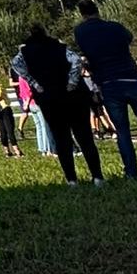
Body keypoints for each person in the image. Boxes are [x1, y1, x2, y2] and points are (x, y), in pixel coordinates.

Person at [12, 24, 105, 186]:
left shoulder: (25, 52)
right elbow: (76, 61)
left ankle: (71, 180)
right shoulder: (59, 46)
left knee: (61, 139)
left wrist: (34, 83)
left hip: (49, 97)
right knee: (85, 137)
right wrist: (72, 82)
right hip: (74, 96)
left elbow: (15, 64)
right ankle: (97, 177)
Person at [74, 0, 137, 180]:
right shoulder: (115, 27)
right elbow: (129, 38)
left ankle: (131, 171)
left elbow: (85, 51)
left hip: (108, 84)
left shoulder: (81, 31)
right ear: (97, 10)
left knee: (122, 130)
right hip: (130, 78)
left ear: (82, 14)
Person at [17, 74, 54, 157]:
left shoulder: (20, 77)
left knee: (38, 126)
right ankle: (46, 148)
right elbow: (30, 91)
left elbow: (22, 92)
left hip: (29, 104)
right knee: (44, 126)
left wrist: (25, 102)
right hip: (35, 102)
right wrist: (27, 101)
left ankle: (41, 148)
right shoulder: (28, 77)